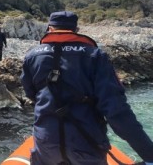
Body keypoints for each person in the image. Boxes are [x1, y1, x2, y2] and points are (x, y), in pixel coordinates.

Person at [20, 11, 153, 165]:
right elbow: (116, 110)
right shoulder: (95, 56)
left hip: (46, 143)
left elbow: (31, 93)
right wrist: (148, 153)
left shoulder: (31, 56)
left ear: (50, 28)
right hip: (86, 144)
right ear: (76, 29)